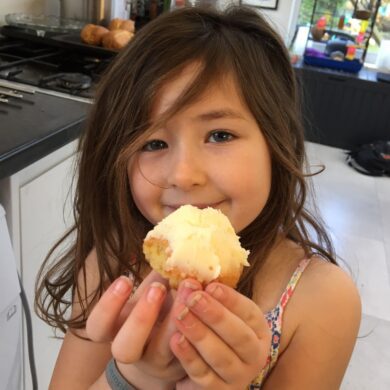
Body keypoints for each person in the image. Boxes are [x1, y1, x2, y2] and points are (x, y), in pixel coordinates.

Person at [35, 5, 361, 390]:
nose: (184, 175)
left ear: (276, 144)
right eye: (153, 142)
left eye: (220, 135)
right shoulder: (111, 262)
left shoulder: (322, 300)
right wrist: (134, 378)